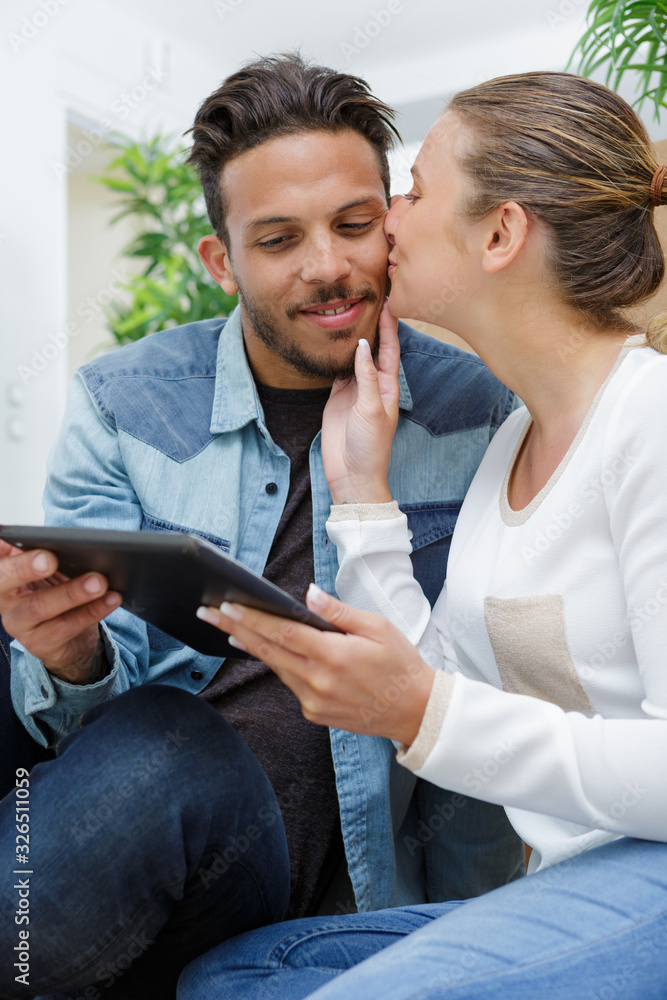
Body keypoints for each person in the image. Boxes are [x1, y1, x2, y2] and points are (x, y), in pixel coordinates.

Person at [0, 55, 523, 1000]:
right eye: (279, 240)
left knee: (175, 746)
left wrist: (475, 949)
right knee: (156, 741)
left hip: (305, 909)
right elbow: (76, 728)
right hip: (124, 849)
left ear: (392, 224)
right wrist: (67, 653)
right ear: (221, 262)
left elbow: (480, 721)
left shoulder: (479, 417)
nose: (327, 266)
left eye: (354, 225)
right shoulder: (123, 404)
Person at [181, 71, 667, 999]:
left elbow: (440, 710)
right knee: (236, 978)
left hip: (650, 868)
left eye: (412, 191)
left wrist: (421, 714)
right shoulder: (515, 441)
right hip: (571, 884)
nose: (388, 224)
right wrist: (361, 490)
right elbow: (447, 680)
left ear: (500, 234)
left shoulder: (647, 422)